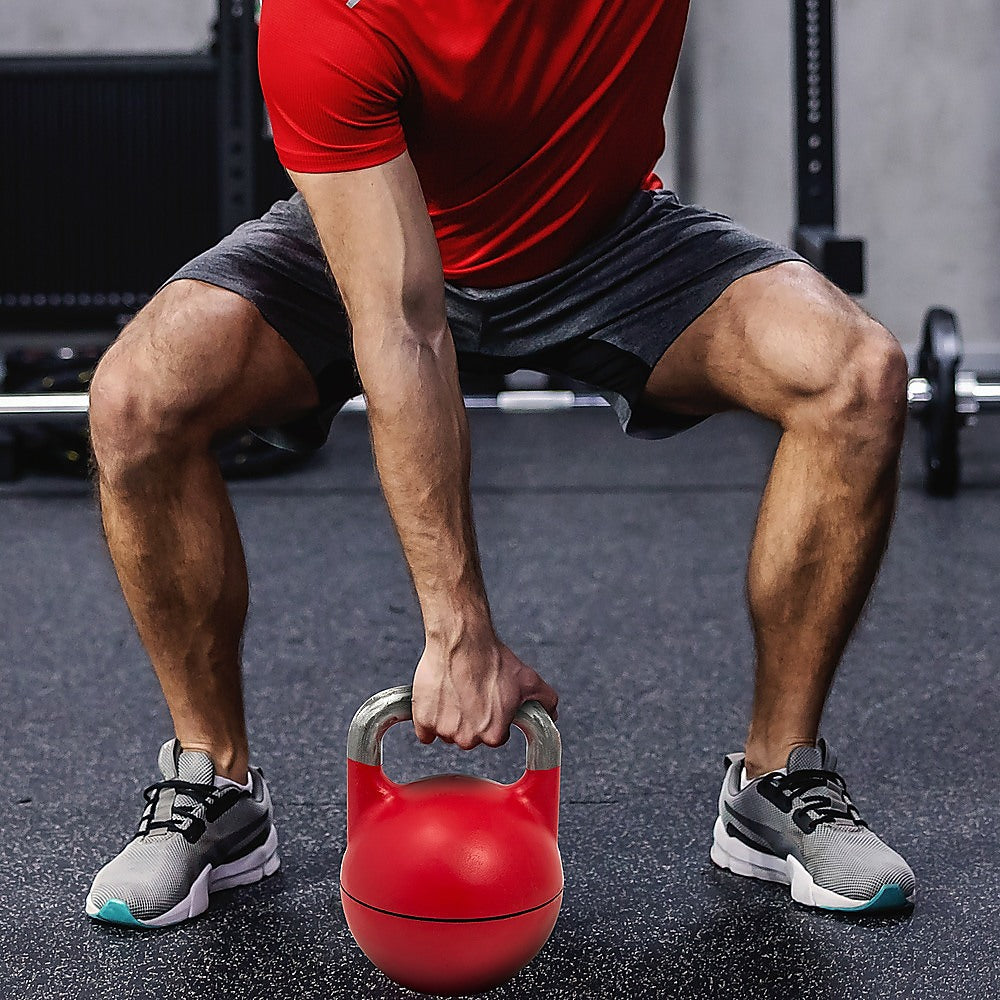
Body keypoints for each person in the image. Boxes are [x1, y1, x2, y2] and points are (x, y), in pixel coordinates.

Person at [84, 0, 915, 928]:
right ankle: (213, 781)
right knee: (137, 401)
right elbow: (405, 322)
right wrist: (458, 634)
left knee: (856, 377)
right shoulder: (326, 17)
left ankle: (777, 778)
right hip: (368, 242)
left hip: (604, 240)